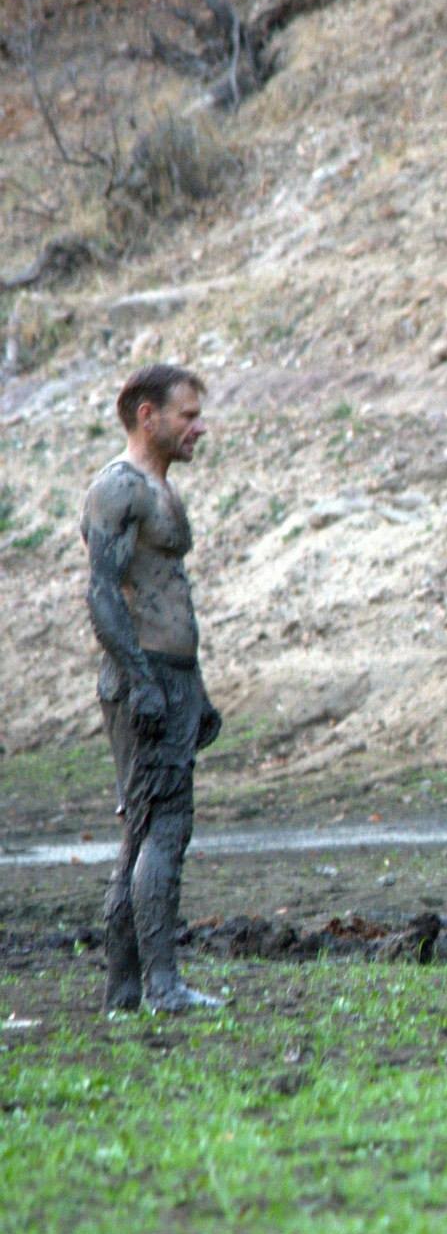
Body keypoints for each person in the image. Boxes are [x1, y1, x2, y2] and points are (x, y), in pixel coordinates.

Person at [81, 364, 224, 1013]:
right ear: (148, 416)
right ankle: (162, 984)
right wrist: (141, 680)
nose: (199, 426)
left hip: (173, 677)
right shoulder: (119, 488)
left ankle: (125, 990)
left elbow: (165, 591)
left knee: (143, 833)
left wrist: (194, 689)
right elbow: (103, 594)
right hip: (145, 679)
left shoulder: (161, 488)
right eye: (187, 414)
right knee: (165, 827)